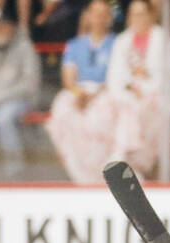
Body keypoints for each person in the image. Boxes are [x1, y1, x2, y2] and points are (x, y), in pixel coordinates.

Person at [46, 0, 117, 183]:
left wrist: (94, 95)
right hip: (79, 91)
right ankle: (77, 175)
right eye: (95, 13)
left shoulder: (116, 43)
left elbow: (116, 76)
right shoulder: (75, 45)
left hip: (105, 91)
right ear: (88, 16)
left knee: (100, 119)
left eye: (103, 14)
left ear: (109, 18)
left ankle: (101, 176)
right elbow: (68, 79)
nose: (99, 19)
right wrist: (79, 94)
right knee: (64, 112)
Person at [104, 0, 170, 178]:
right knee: (115, 109)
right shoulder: (122, 41)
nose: (138, 18)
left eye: (142, 13)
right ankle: (122, 162)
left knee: (144, 109)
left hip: (155, 95)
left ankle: (136, 165)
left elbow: (166, 74)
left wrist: (142, 89)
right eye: (134, 14)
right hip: (126, 96)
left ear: (151, 15)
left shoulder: (162, 38)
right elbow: (115, 76)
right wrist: (130, 87)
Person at [0, 10, 39, 176]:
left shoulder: (25, 47)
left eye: (2, 26)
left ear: (12, 27)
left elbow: (30, 84)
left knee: (3, 119)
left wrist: (3, 95)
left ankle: (15, 169)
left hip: (16, 99)